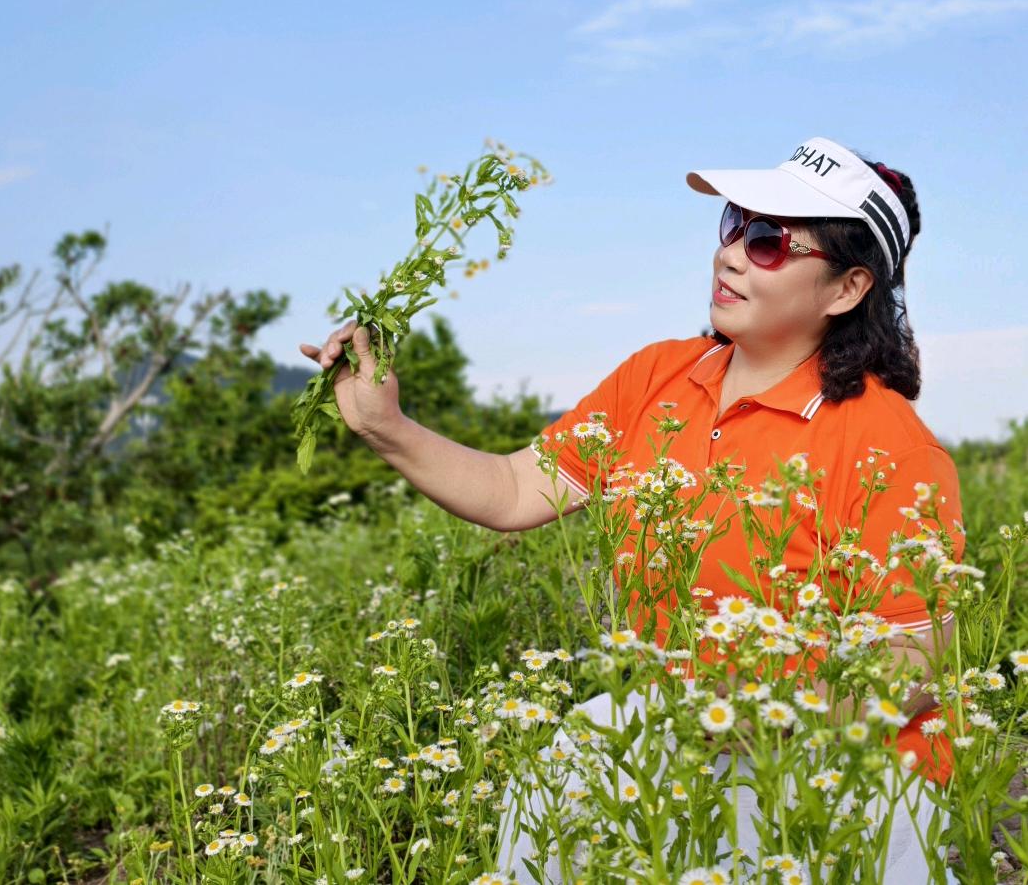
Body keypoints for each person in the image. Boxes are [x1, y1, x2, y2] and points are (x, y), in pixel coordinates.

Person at [300, 135, 965, 882]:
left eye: (772, 242)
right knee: (555, 786)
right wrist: (385, 426)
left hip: (836, 770)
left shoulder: (890, 447)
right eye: (734, 225)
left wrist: (738, 717)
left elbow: (906, 672)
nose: (734, 255)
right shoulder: (660, 375)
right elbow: (519, 489)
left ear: (847, 289)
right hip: (686, 731)